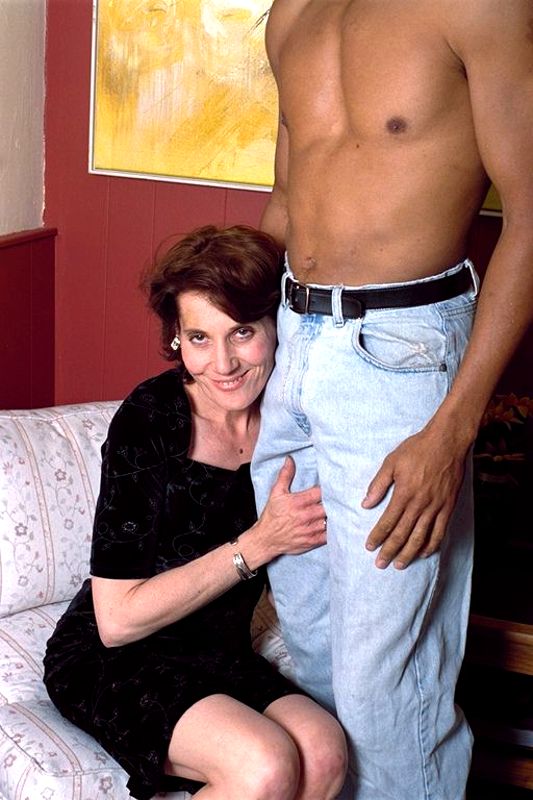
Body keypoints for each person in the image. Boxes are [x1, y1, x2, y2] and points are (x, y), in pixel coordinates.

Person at [250, 2, 533, 799]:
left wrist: (452, 430)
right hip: (292, 338)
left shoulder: (477, 6)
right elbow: (284, 202)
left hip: (400, 354)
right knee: (303, 651)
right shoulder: (291, 13)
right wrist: (241, 362)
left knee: (385, 687)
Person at [43, 225, 348, 800]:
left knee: (325, 752)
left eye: (242, 332)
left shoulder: (291, 417)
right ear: (176, 340)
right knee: (263, 766)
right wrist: (258, 544)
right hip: (113, 655)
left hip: (215, 652)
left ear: (276, 327)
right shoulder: (150, 418)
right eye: (200, 338)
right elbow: (115, 621)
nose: (223, 362)